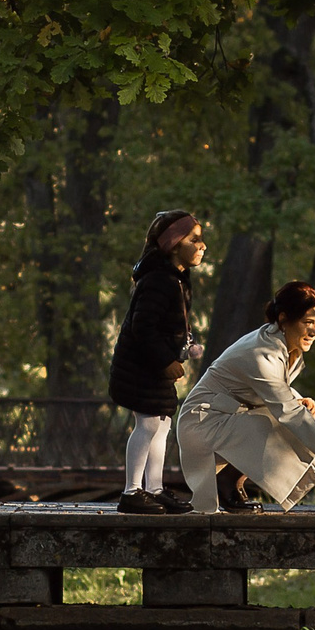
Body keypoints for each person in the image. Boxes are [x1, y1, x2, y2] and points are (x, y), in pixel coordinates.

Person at [175, 280, 315, 514]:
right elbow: (287, 411)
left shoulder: (284, 346)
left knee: (303, 416)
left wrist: (300, 400)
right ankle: (227, 483)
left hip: (226, 419)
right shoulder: (261, 353)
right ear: (283, 319)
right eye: (308, 322)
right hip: (202, 423)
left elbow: (277, 393)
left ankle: (230, 482)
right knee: (287, 422)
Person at [107, 209, 206, 515]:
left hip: (154, 369)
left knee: (161, 425)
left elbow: (171, 323)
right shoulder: (160, 280)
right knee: (148, 425)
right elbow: (143, 327)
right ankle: (132, 491)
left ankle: (154, 488)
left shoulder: (176, 280)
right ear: (174, 244)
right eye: (195, 239)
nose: (202, 246)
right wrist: (165, 360)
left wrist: (182, 346)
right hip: (141, 369)